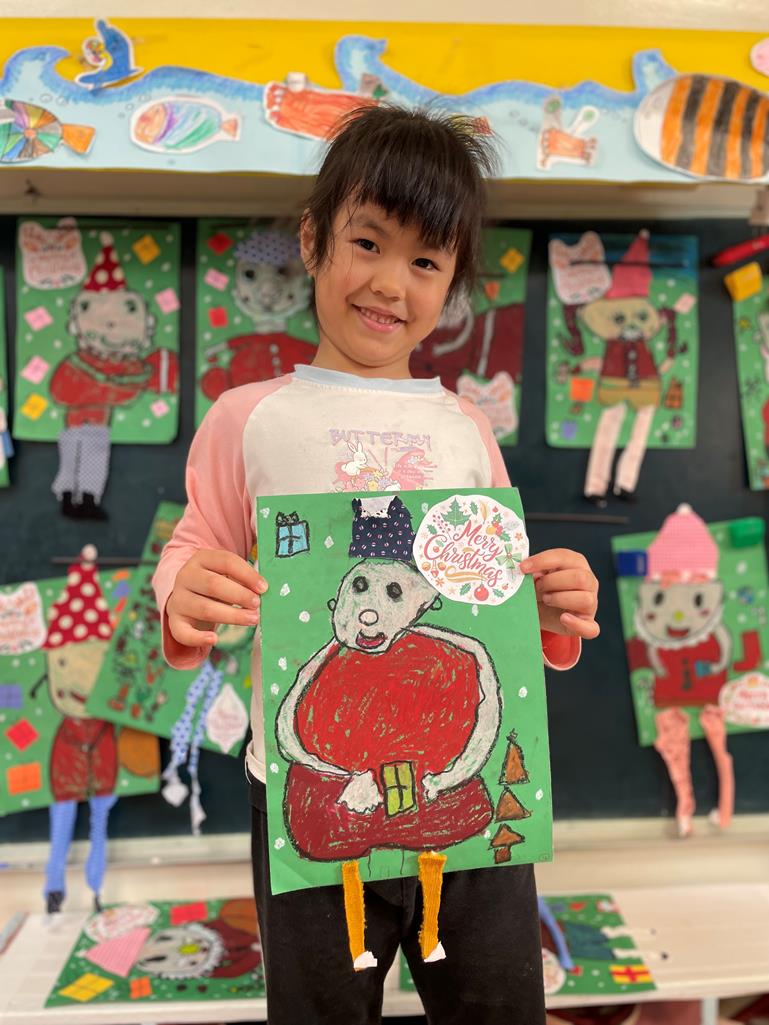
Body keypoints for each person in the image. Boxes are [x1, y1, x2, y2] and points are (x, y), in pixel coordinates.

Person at [153, 105, 600, 1025]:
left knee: (496, 1007)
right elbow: (196, 545)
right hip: (310, 792)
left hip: (465, 788)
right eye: (366, 242)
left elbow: (494, 594)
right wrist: (182, 592)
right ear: (313, 239)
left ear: (453, 283)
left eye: (425, 262)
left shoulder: (465, 428)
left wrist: (551, 608)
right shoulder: (248, 417)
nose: (390, 283)